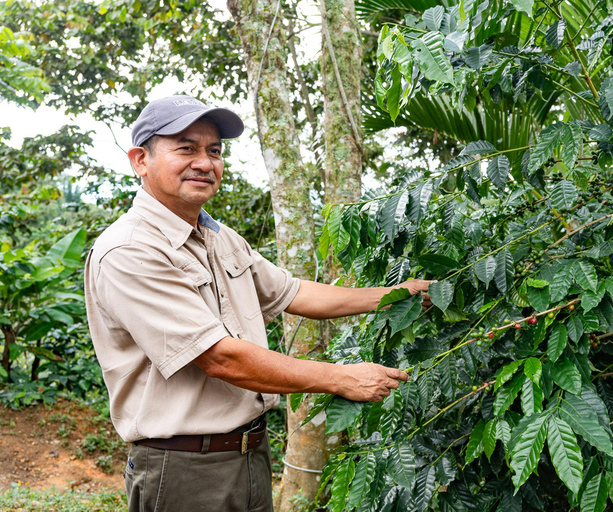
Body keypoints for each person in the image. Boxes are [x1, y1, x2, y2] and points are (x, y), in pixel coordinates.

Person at [83, 95, 432, 512]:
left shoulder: (220, 237)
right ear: (140, 160)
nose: (204, 162)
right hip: (186, 469)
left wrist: (398, 294)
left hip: (249, 453)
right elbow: (220, 358)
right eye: (186, 148)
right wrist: (341, 378)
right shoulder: (130, 251)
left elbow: (296, 293)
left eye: (214, 151)